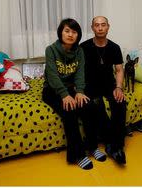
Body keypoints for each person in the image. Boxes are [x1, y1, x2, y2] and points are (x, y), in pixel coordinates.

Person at [43, 18, 106, 170]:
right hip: (52, 89)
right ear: (61, 32)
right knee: (69, 111)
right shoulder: (50, 49)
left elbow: (79, 73)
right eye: (67, 31)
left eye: (74, 32)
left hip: (71, 88)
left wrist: (79, 92)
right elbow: (52, 76)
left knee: (88, 106)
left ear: (78, 35)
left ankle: (92, 147)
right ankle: (77, 154)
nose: (70, 34)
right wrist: (65, 95)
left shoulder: (79, 51)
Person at [80, 16, 127, 165]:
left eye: (103, 25)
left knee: (120, 103)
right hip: (90, 86)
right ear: (92, 28)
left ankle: (117, 147)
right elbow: (79, 71)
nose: (100, 28)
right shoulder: (83, 47)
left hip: (109, 85)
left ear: (108, 27)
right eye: (97, 25)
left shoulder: (114, 47)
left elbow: (119, 70)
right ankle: (111, 144)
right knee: (97, 105)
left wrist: (119, 87)